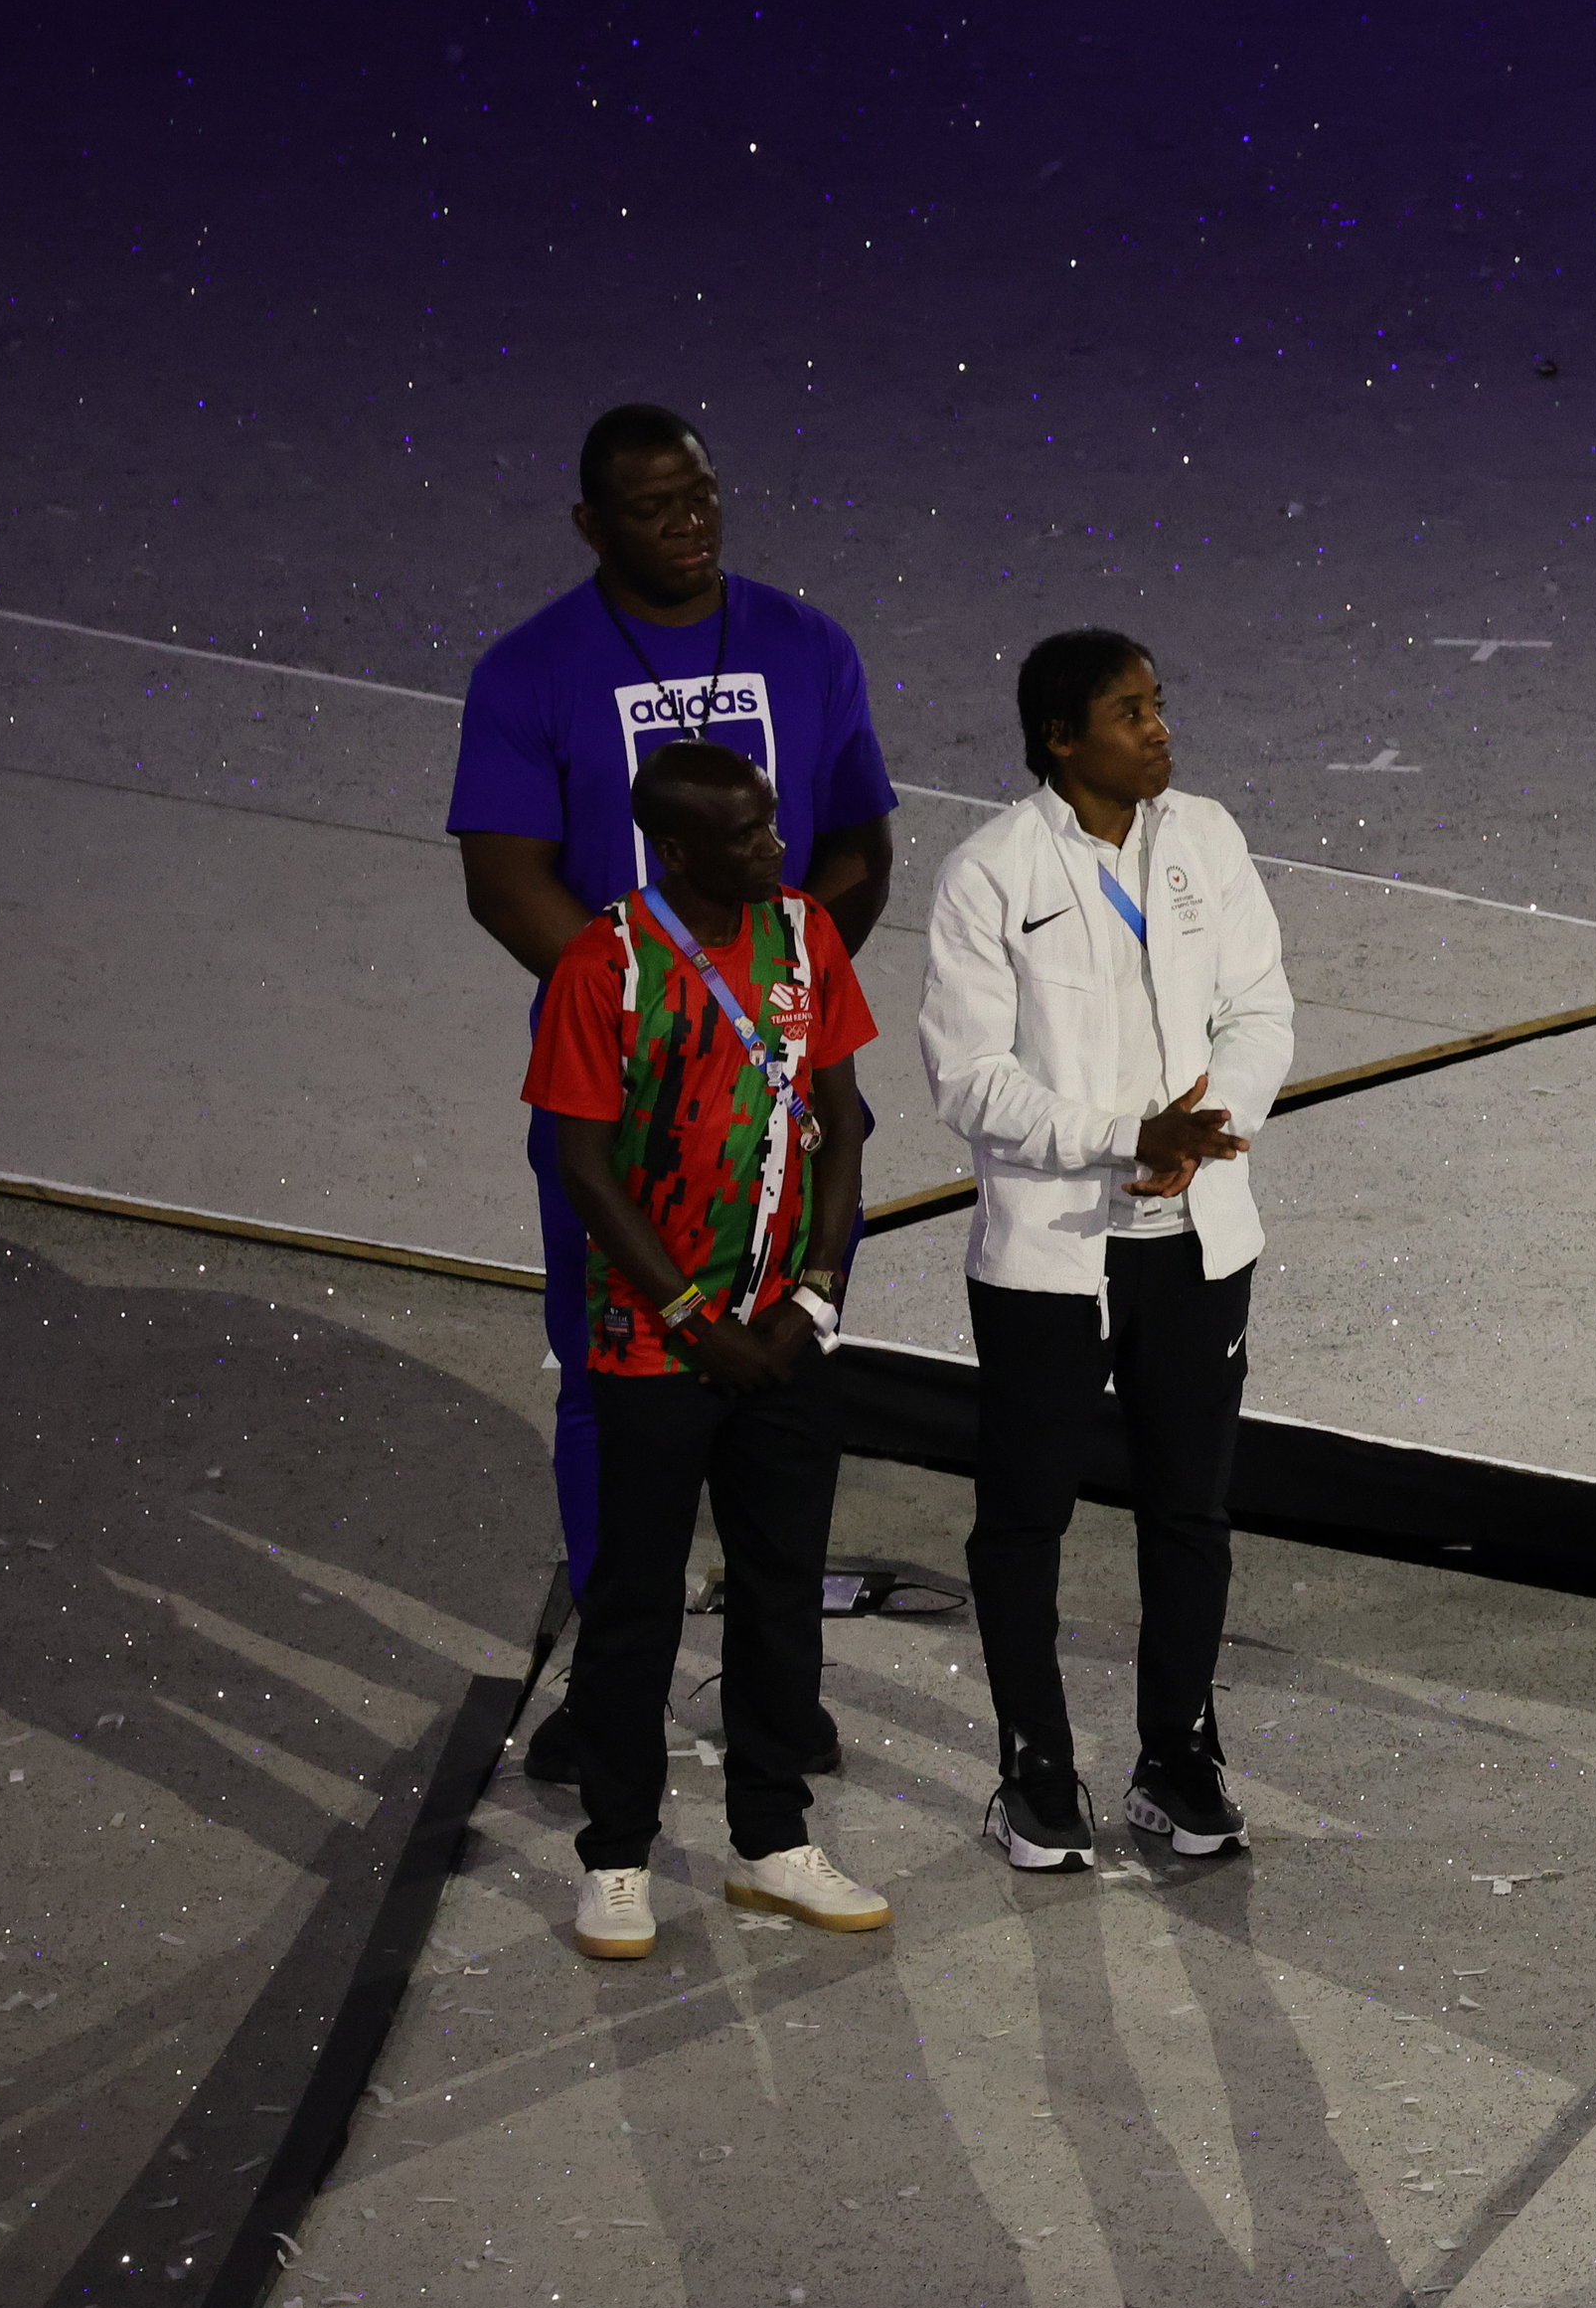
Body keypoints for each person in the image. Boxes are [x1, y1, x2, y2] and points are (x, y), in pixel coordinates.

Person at [454, 403, 897, 1780]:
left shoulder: (808, 643)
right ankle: (613, 1686)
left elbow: (861, 844)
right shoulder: (529, 670)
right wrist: (641, 1009)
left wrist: (782, 1004)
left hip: (777, 1074)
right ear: (592, 525)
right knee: (616, 1376)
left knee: (784, 1363)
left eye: (702, 493)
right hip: (618, 1094)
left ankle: (776, 1684)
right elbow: (506, 875)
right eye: (653, 506)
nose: (689, 521)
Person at [915, 631, 1294, 1867]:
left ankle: (1178, 1757)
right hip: (1050, 1253)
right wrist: (1124, 1132)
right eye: (1129, 711)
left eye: (1161, 703)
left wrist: (1205, 1131)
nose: (1159, 728)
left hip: (1194, 1234)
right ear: (1060, 740)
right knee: (1026, 1513)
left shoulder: (1209, 838)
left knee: (1189, 1505)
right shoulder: (989, 873)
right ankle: (1034, 1766)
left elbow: (1259, 1009)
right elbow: (969, 1081)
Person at [529, 743, 889, 1960]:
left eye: (770, 823)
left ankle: (771, 1840)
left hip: (787, 1336)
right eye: (742, 835)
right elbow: (583, 1167)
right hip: (652, 1349)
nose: (772, 847)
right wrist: (694, 1319)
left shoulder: (805, 937)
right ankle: (618, 1856)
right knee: (633, 1604)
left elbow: (844, 1120)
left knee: (780, 1592)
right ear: (673, 849)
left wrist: (817, 1294)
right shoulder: (605, 963)